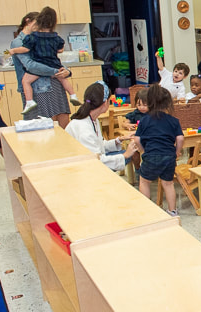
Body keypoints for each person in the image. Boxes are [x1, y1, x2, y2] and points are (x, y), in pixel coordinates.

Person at [9, 7, 81, 114]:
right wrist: (56, 71)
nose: (39, 26)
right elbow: (31, 65)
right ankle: (72, 95)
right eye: (37, 22)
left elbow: (52, 58)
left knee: (61, 121)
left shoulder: (39, 38)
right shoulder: (20, 42)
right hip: (37, 89)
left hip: (52, 84)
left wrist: (66, 71)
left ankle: (73, 95)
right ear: (28, 21)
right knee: (43, 124)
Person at [133, 84, 184, 216]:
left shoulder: (145, 120)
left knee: (144, 181)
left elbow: (137, 139)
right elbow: (180, 139)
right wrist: (177, 152)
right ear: (168, 103)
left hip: (151, 155)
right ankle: (172, 211)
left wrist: (142, 151)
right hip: (169, 156)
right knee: (168, 183)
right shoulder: (174, 120)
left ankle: (147, 210)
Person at [65, 82, 137, 173]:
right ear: (106, 102)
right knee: (127, 155)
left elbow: (98, 146)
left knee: (127, 154)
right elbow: (96, 161)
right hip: (81, 169)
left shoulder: (92, 119)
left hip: (88, 162)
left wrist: (119, 139)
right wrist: (125, 155)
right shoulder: (84, 128)